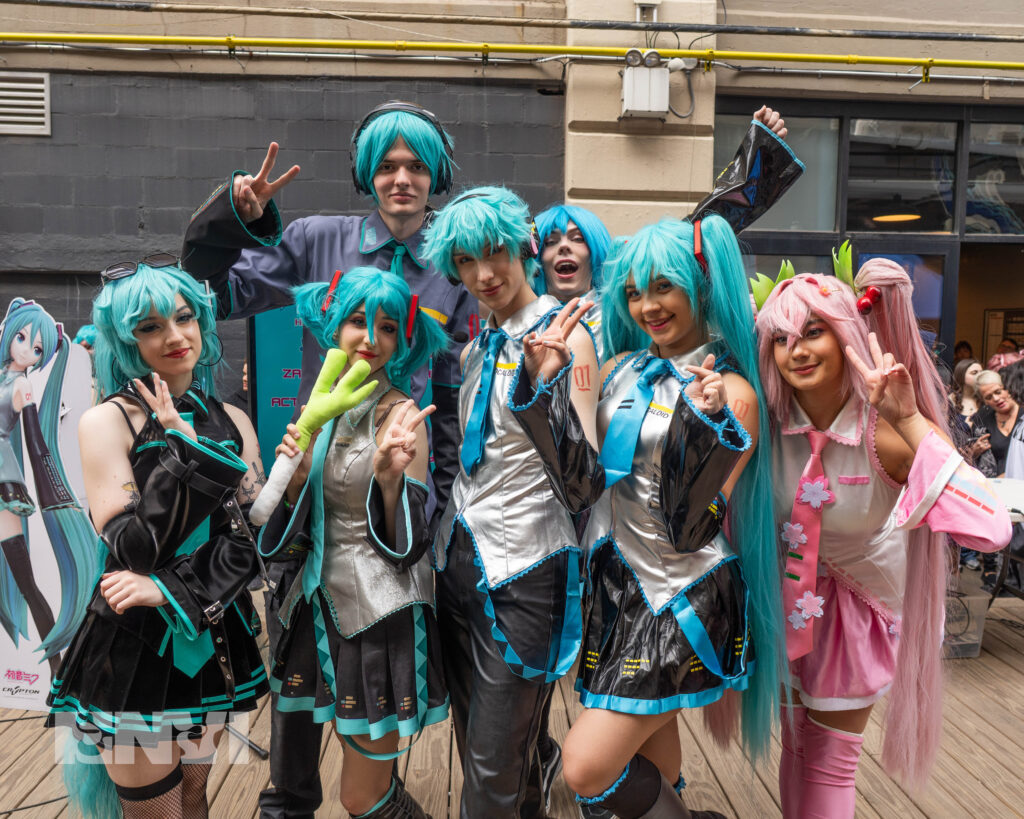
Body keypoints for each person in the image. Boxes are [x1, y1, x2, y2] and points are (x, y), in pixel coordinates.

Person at [180, 100, 476, 818]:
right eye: (386, 165)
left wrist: (428, 508)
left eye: (415, 166)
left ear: (436, 175)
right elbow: (215, 294)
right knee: (295, 654)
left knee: (378, 664)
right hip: (312, 471)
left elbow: (451, 396)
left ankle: (374, 792)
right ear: (366, 173)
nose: (401, 179)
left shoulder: (454, 263)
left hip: (397, 475)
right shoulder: (318, 238)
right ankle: (288, 801)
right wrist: (234, 217)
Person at [754, 265, 1011, 817]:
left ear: (846, 334)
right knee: (796, 746)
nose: (797, 351)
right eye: (781, 338)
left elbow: (991, 528)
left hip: (857, 613)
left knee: (828, 761)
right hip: (784, 608)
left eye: (814, 332)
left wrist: (912, 419)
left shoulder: (884, 431)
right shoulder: (767, 424)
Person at [559, 216, 782, 819]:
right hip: (615, 586)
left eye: (664, 287)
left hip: (680, 590)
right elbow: (580, 472)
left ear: (701, 287)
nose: (647, 307)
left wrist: (703, 425)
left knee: (585, 767)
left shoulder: (732, 391)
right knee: (653, 761)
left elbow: (693, 526)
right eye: (634, 292)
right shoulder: (617, 368)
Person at [46, 256, 274, 818]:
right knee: (157, 812)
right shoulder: (106, 421)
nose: (175, 336)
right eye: (150, 326)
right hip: (134, 648)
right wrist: (184, 452)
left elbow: (254, 541)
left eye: (184, 318)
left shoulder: (234, 420)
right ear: (126, 340)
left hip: (212, 639)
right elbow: (133, 547)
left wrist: (172, 589)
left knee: (193, 796)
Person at [422, 186, 601, 818]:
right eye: (465, 261)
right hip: (457, 565)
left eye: (494, 252)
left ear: (523, 247)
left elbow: (584, 481)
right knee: (484, 753)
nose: (484, 274)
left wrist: (543, 389)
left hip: (528, 568)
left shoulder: (569, 337)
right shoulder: (476, 348)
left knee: (491, 773)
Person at [259, 267, 449, 818]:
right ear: (333, 326)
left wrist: (390, 480)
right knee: (353, 783)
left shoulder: (403, 415)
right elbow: (281, 520)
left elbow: (407, 547)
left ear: (402, 341)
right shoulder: (321, 406)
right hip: (314, 606)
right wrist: (294, 472)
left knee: (361, 794)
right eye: (357, 321)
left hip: (377, 617)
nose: (370, 337)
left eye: (387, 327)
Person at [532, 106, 797, 365]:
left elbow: (692, 237)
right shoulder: (522, 320)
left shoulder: (625, 315)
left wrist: (756, 157)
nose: (563, 247)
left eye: (577, 238)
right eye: (550, 242)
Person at [0, 300, 97, 677]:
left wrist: (49, 486)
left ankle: (58, 670)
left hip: (3, 483)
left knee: (26, 582)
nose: (27, 350)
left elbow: (34, 439)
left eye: (38, 348)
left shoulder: (23, 385)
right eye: (22, 338)